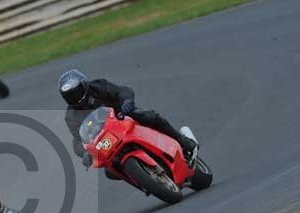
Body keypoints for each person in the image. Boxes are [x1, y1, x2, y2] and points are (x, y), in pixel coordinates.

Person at [58, 69, 198, 164]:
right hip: (105, 138)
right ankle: (148, 181)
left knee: (149, 117)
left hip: (123, 117)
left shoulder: (98, 86)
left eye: (76, 92)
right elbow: (77, 140)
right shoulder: (71, 116)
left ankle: (183, 141)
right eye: (70, 96)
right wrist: (85, 154)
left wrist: (127, 101)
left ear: (84, 85)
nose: (75, 97)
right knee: (110, 172)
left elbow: (122, 91)